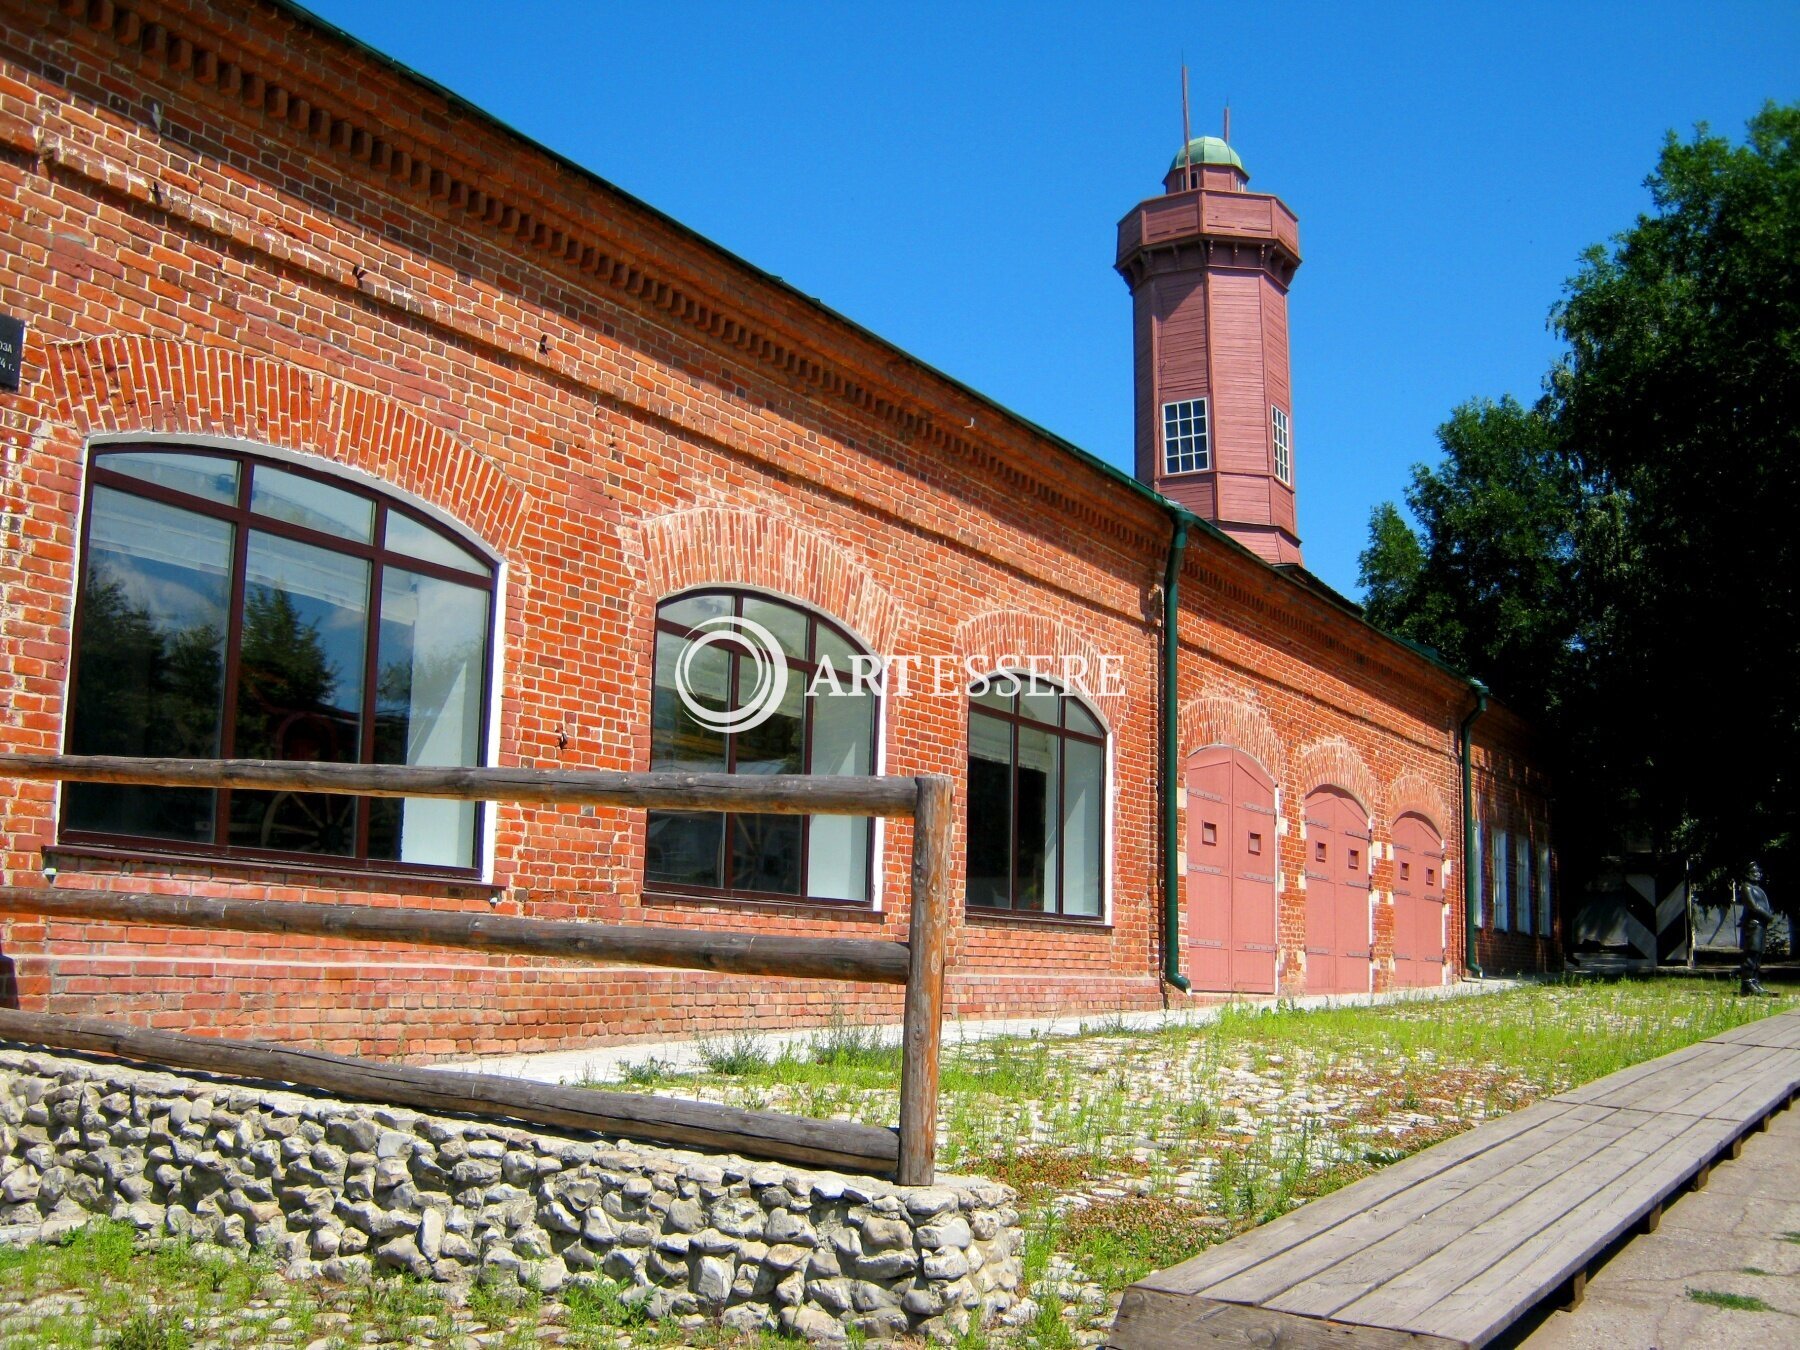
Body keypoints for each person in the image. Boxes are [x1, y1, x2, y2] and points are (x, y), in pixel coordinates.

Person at [1739, 866, 1775, 997]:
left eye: (1759, 871)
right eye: (1754, 872)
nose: (1758, 874)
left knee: (1758, 954)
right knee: (1751, 954)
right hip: (1753, 925)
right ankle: (1747, 983)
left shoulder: (1757, 888)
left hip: (1761, 925)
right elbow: (1753, 906)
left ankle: (1754, 980)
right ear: (1747, 873)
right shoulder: (1746, 887)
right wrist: (1767, 915)